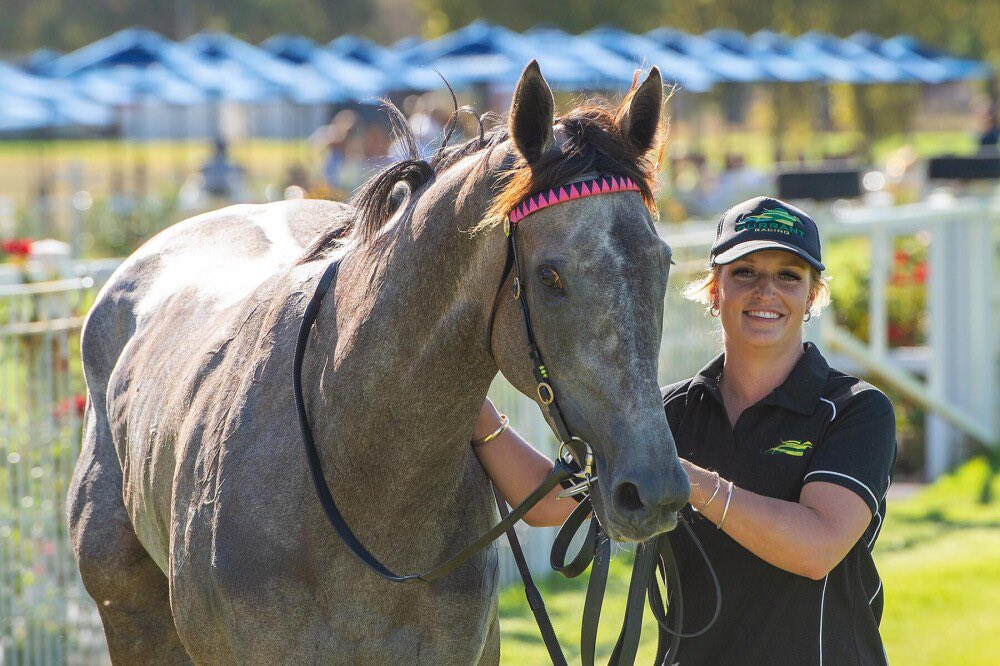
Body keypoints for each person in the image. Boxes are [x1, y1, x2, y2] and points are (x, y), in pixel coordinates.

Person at [473, 196, 897, 665]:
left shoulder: (856, 411)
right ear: (715, 291)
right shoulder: (663, 415)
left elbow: (817, 548)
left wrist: (683, 478)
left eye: (788, 276)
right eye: (745, 272)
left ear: (812, 297)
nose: (765, 292)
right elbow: (549, 503)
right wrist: (478, 415)